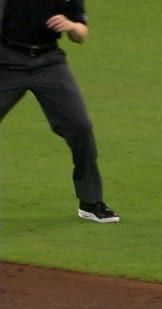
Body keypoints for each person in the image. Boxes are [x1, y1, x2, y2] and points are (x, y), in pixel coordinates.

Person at [0, 0, 119, 223]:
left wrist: (70, 26)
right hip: (6, 61)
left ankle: (90, 202)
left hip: (49, 64)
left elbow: (81, 34)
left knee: (80, 126)